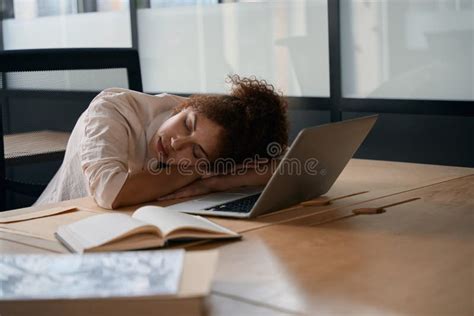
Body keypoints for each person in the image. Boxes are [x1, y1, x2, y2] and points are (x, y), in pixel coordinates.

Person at [34, 75, 289, 209]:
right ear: (184, 105)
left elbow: (289, 164)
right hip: (51, 231)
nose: (177, 143)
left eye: (197, 152)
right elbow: (108, 190)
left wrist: (218, 183)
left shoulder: (219, 144)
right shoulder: (113, 109)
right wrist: (197, 170)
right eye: (187, 124)